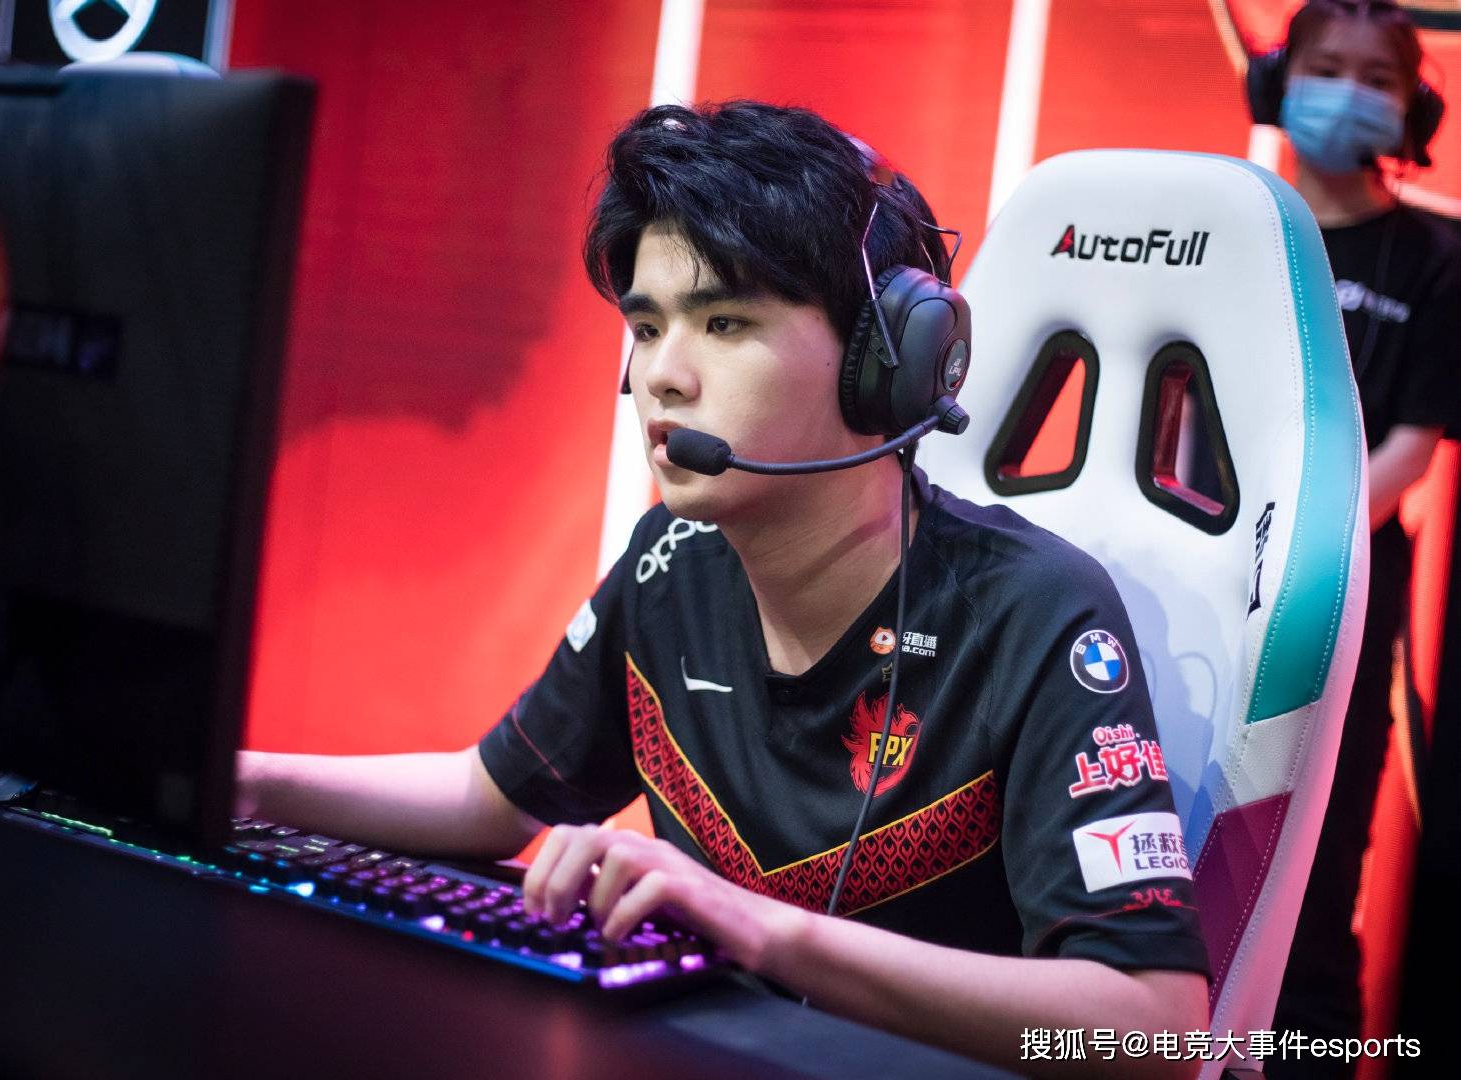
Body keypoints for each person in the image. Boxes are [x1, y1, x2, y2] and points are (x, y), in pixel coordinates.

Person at [238, 100, 1209, 1078]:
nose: (662, 376)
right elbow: (490, 799)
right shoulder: (670, 565)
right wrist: (244, 780)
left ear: (886, 360)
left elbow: (1157, 1030)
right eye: (647, 326)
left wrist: (759, 929)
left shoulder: (1035, 612)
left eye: (724, 322)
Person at [1252, 2, 1461, 1072]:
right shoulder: (1236, 232)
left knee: (1314, 870)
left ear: (1412, 107)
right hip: (1208, 583)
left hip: (1340, 598)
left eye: (1374, 78)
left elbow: (1413, 448)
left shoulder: (1438, 256)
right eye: (1324, 68)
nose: (1345, 93)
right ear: (1276, 84)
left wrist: (1304, 552)